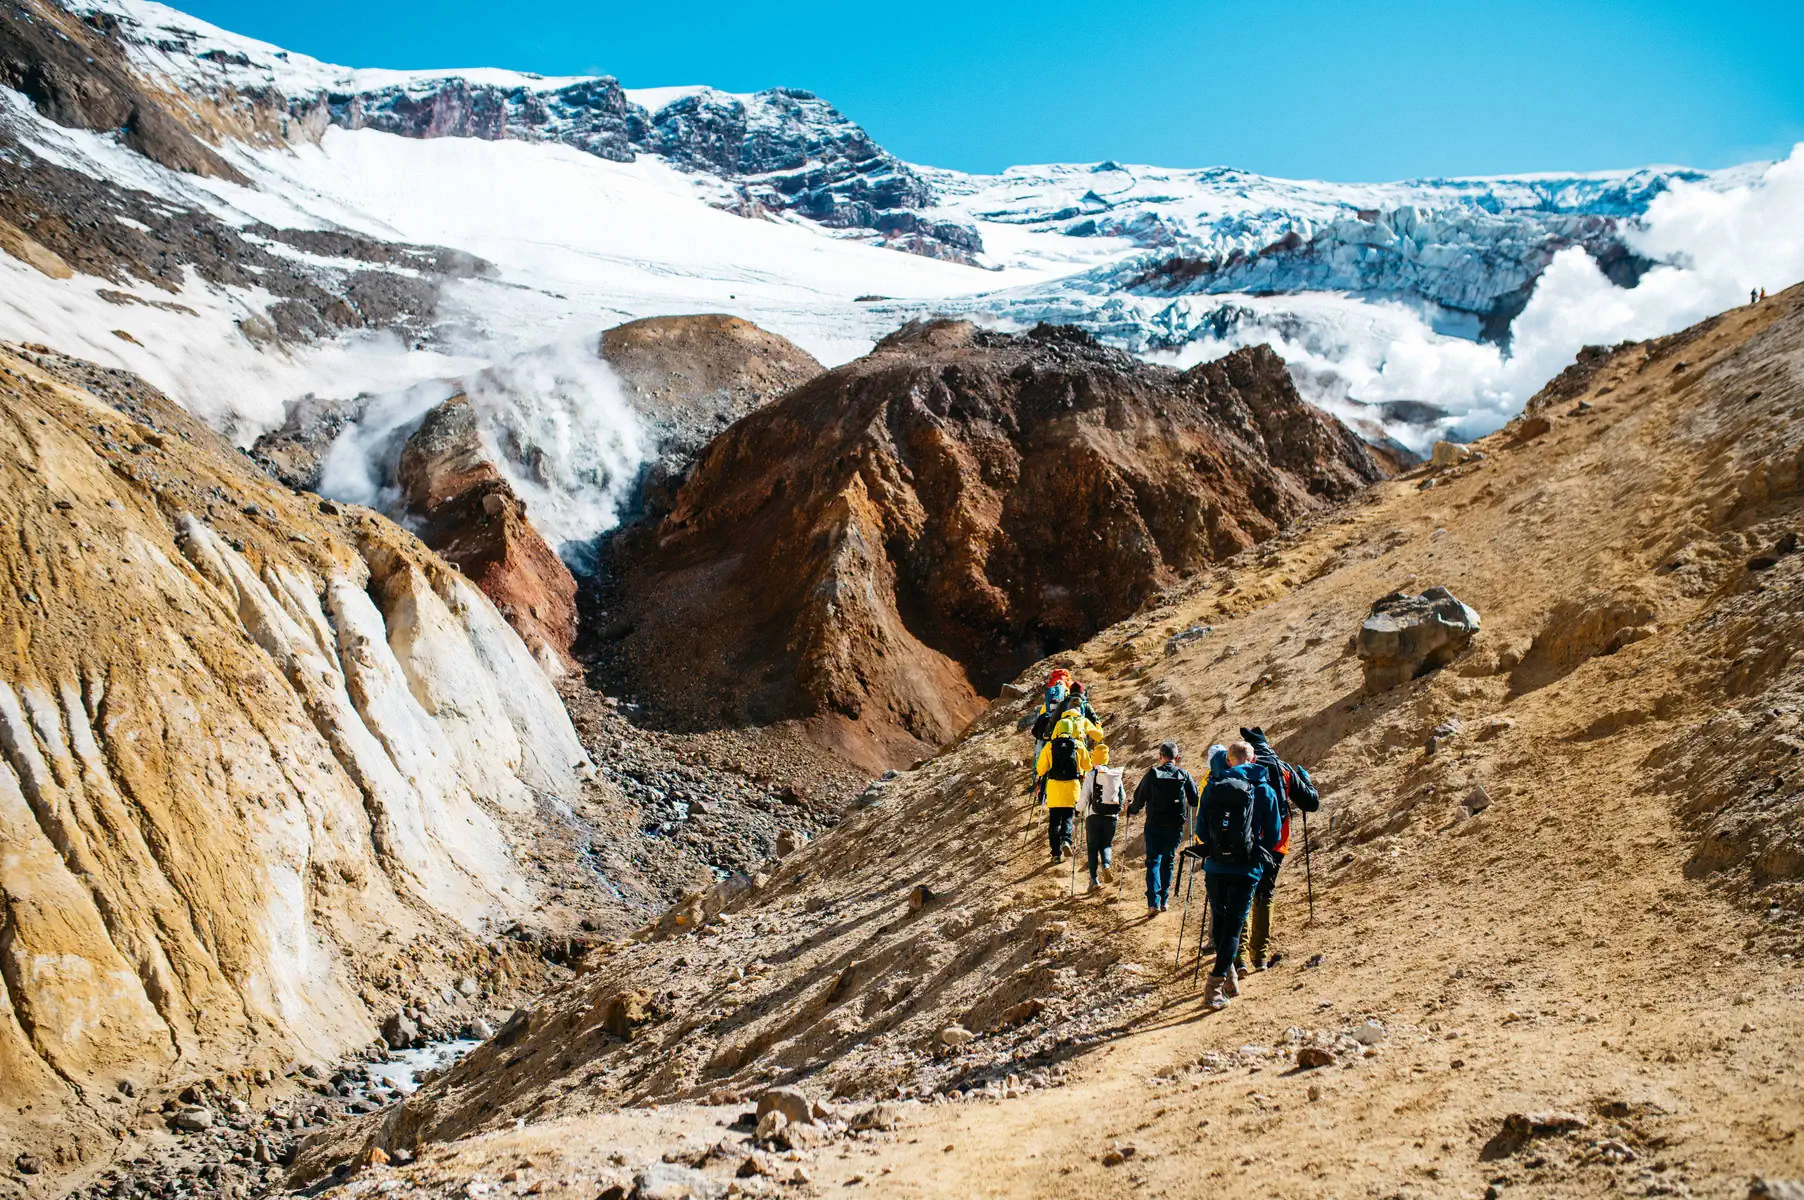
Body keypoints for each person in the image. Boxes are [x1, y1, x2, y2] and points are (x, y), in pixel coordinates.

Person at [1197, 741, 1282, 1010]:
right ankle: (1214, 985)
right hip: (1246, 869)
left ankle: (1231, 976)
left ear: (1229, 760)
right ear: (1253, 758)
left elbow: (1200, 828)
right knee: (1234, 925)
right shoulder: (1264, 789)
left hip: (1214, 867)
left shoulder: (1213, 786)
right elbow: (1275, 835)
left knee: (1221, 923)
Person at [1235, 727, 1320, 971]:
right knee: (1265, 891)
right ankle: (1259, 956)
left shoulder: (1240, 767)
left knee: (1242, 891)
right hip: (1276, 842)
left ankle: (1238, 957)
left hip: (1245, 839)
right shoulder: (1282, 768)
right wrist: (1306, 780)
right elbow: (1311, 802)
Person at [1127, 741, 1198, 916]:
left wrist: (1131, 810)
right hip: (1175, 826)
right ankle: (1165, 900)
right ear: (1177, 758)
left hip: (1154, 825)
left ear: (1160, 757)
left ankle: (1153, 903)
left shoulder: (1153, 774)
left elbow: (1140, 798)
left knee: (1153, 861)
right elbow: (1195, 799)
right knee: (1168, 860)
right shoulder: (1184, 774)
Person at [1035, 703, 1106, 863]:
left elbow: (1040, 770)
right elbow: (1087, 767)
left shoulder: (1049, 746)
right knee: (1067, 817)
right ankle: (1066, 840)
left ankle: (1055, 854)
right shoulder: (1078, 745)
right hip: (1072, 787)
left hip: (1054, 787)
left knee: (1054, 821)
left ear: (1058, 728)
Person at [1080, 757, 1126, 891]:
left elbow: (1085, 796)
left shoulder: (1091, 774)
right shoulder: (1114, 774)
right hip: (1111, 817)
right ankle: (1106, 865)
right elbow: (1121, 795)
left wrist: (1078, 809)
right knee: (1106, 844)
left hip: (1093, 816)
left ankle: (1094, 880)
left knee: (1092, 847)